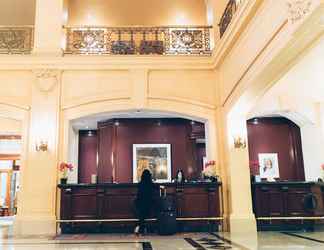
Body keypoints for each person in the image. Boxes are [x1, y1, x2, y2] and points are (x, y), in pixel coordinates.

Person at [134, 169, 154, 235]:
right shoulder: (151, 184)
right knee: (143, 215)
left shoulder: (140, 184)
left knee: (141, 215)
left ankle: (140, 227)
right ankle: (141, 227)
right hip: (149, 205)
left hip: (140, 204)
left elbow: (138, 195)